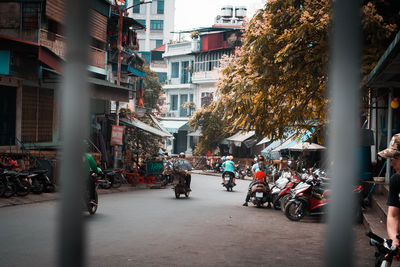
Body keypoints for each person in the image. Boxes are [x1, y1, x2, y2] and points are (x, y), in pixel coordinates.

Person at [378, 133, 400, 247]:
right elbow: (393, 215)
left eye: (395, 158)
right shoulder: (396, 180)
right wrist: (394, 241)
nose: (391, 163)